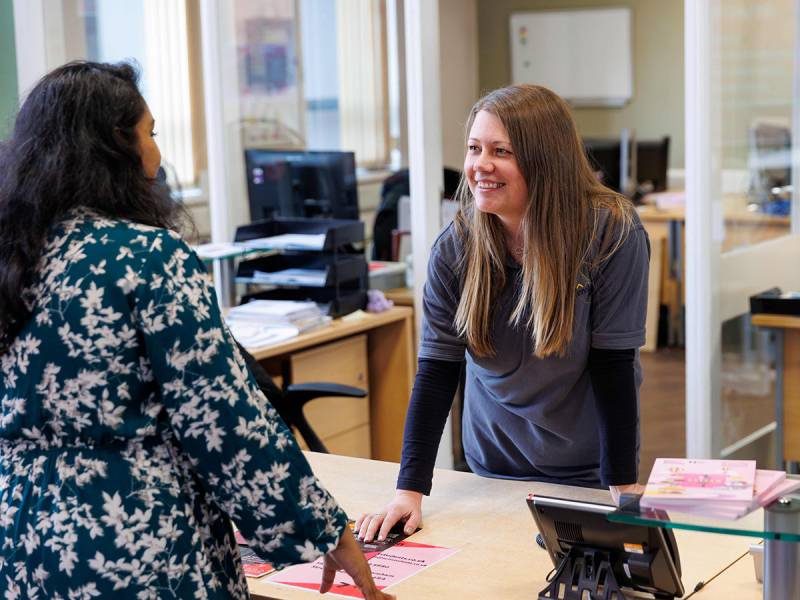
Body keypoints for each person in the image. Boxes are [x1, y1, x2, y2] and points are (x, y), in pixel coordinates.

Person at [0, 61, 392, 600]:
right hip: (138, 548)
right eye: (151, 134)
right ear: (118, 147)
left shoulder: (13, 260)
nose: (158, 154)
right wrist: (323, 527)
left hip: (24, 545)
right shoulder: (148, 258)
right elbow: (227, 426)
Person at [357, 84, 649, 543]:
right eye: (474, 148)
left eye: (501, 151)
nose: (480, 165)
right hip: (490, 465)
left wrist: (623, 490)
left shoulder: (610, 231)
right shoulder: (456, 247)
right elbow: (436, 373)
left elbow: (614, 365)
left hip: (586, 469)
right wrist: (408, 492)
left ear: (544, 161)